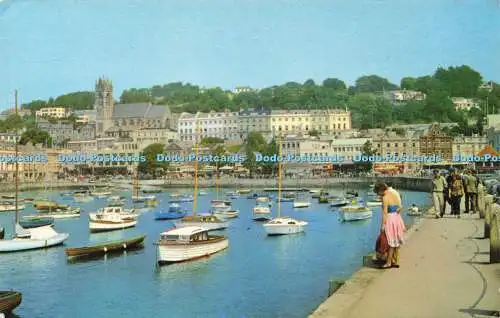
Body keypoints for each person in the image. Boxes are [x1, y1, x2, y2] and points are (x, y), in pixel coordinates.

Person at [374, 182, 405, 269]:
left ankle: (388, 262)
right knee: (396, 241)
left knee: (391, 242)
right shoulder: (394, 193)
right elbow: (400, 206)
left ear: (380, 190)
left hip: (390, 219)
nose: (378, 195)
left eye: (377, 193)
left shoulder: (385, 197)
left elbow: (384, 214)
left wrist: (382, 226)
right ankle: (395, 261)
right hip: (397, 218)